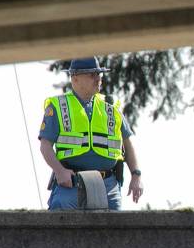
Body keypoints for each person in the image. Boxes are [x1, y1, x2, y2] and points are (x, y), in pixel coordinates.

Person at [39, 57, 144, 210]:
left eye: (99, 74)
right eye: (92, 74)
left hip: (108, 184)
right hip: (71, 184)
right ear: (75, 78)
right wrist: (59, 171)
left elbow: (127, 143)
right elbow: (45, 146)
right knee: (63, 229)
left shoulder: (111, 105)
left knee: (114, 232)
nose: (98, 78)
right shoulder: (58, 106)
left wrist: (136, 175)